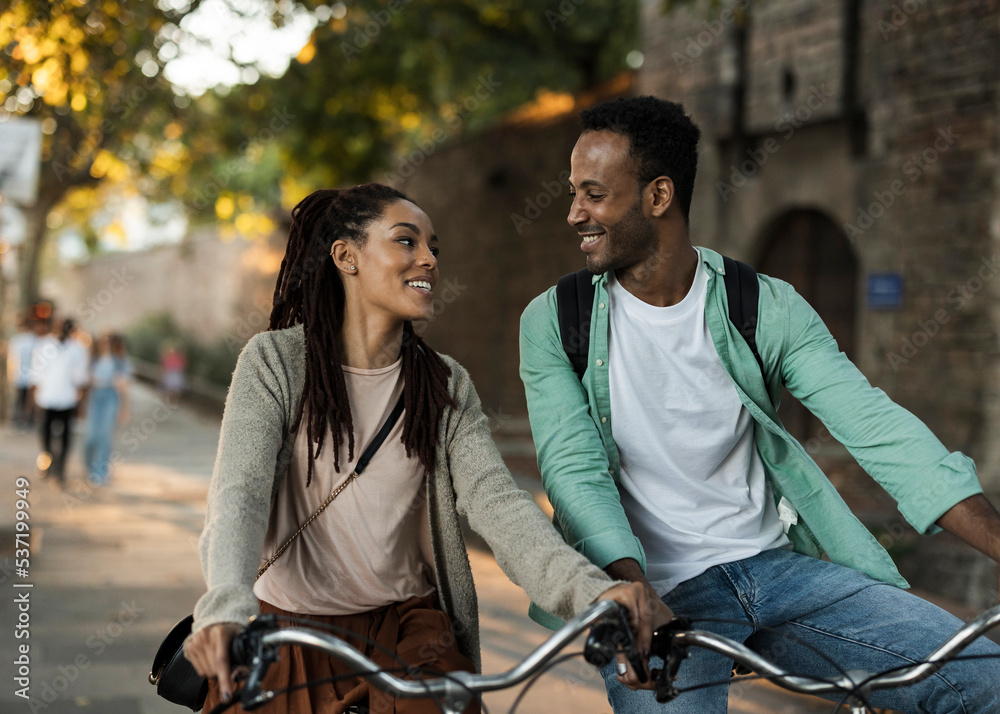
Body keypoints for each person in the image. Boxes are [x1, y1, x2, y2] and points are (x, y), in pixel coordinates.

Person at [518, 95, 1000, 713]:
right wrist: (631, 596)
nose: (573, 214)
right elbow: (572, 469)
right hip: (658, 590)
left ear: (658, 196)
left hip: (777, 569)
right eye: (572, 193)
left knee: (983, 678)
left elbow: (876, 427)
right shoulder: (557, 321)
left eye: (592, 194)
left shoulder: (761, 305)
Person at [184, 184, 655, 714]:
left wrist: (591, 592)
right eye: (406, 242)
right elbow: (238, 496)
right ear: (346, 256)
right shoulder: (275, 363)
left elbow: (500, 507)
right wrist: (224, 609)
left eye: (433, 247)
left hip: (409, 638)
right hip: (288, 637)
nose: (428, 259)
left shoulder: (444, 384)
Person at [29, 317, 89, 485]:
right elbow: (36, 373)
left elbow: (80, 378)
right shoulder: (44, 346)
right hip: (48, 398)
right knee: (47, 436)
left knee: (63, 437)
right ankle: (50, 464)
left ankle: (60, 470)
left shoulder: (77, 349)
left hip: (66, 399)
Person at [83, 332, 132, 486]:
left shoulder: (120, 362)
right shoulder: (93, 360)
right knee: (90, 436)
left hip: (111, 398)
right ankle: (89, 467)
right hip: (95, 397)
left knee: (105, 437)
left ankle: (101, 472)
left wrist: (125, 408)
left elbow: (124, 387)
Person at [8, 316, 39, 429]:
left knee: (25, 398)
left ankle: (26, 419)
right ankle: (23, 419)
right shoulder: (19, 340)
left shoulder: (29, 339)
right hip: (23, 374)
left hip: (27, 374)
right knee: (23, 398)